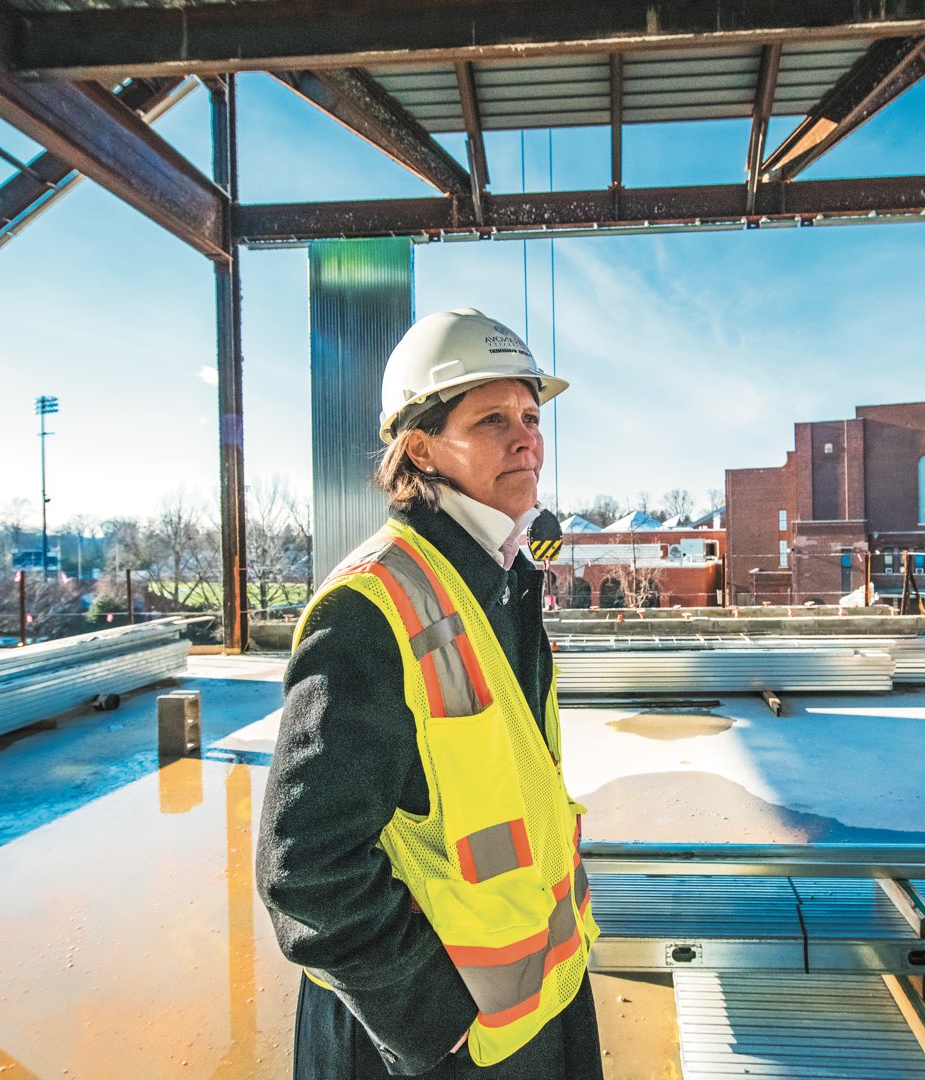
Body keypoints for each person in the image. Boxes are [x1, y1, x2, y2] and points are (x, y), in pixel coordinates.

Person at [257, 308, 603, 1078]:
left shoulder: (507, 581)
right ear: (420, 446)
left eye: (530, 416)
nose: (527, 439)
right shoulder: (370, 610)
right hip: (431, 1042)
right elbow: (304, 869)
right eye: (491, 420)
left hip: (531, 1015)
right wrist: (435, 1027)